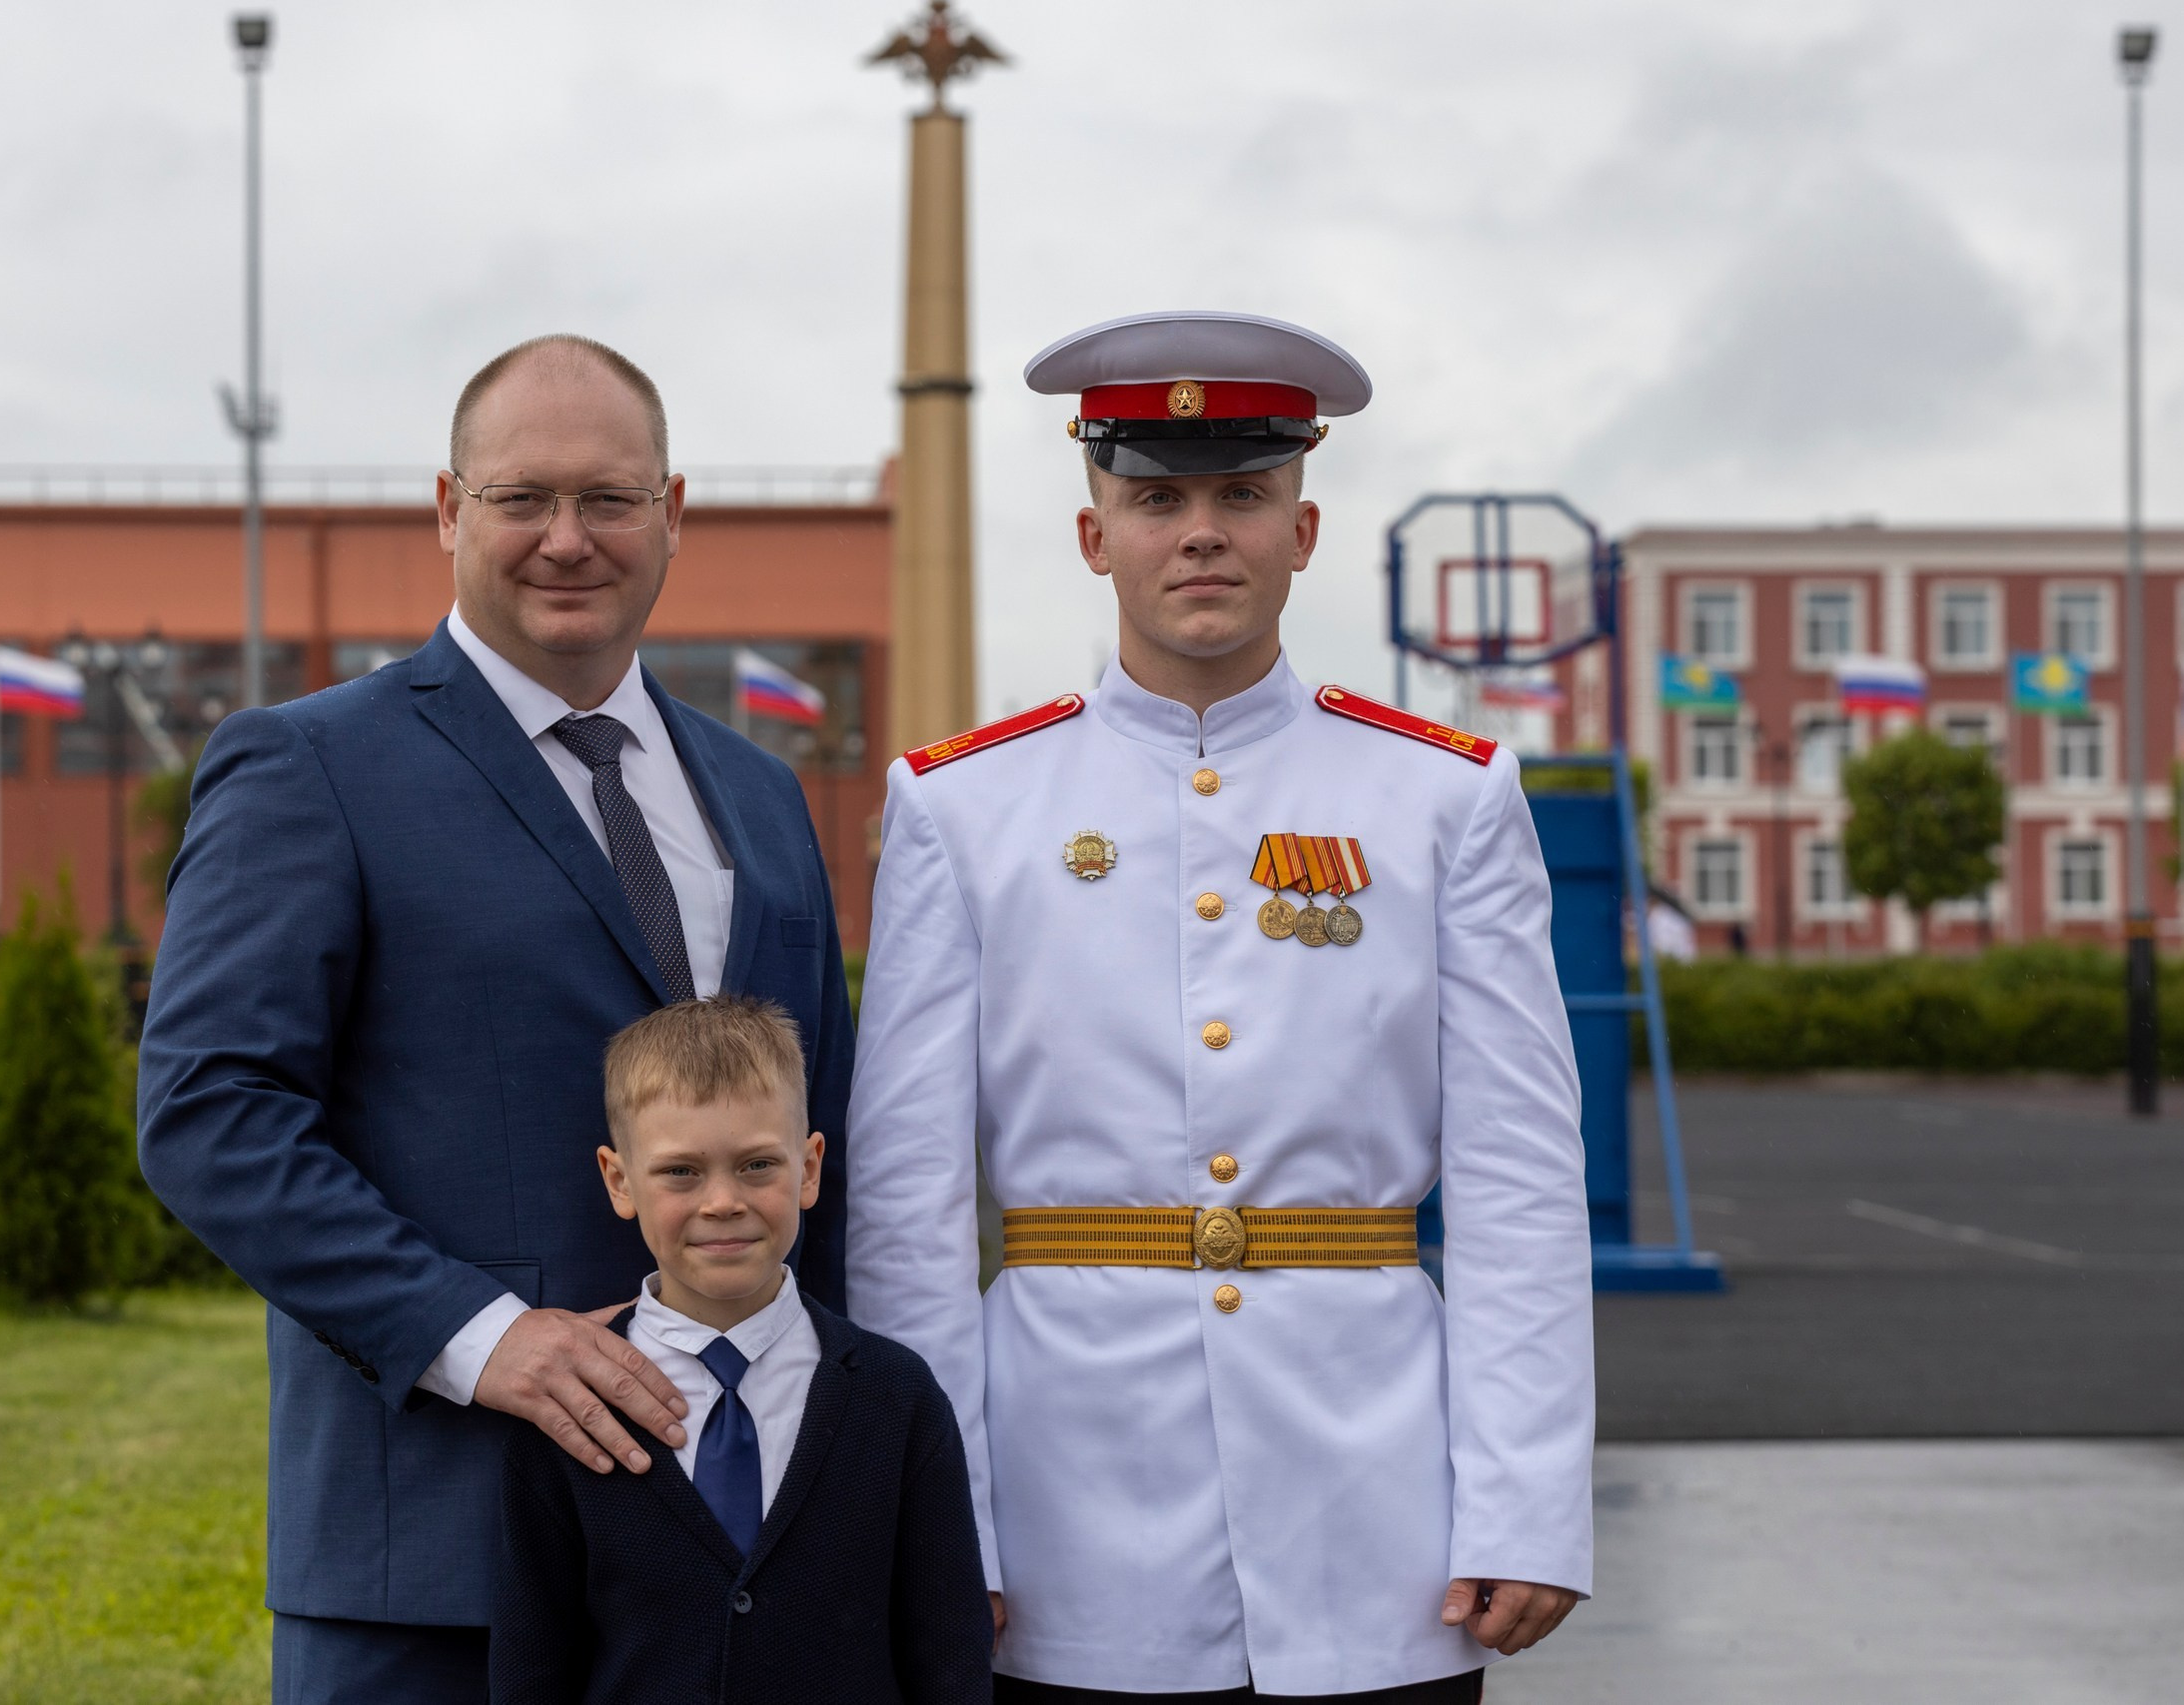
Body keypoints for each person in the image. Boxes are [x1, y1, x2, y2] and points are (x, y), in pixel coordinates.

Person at [845, 311, 1595, 1703]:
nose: (1201, 532)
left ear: (1302, 530)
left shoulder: (1445, 796)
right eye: (1157, 497)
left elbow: (1519, 1175)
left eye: (1243, 494)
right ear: (1094, 535)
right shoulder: (965, 806)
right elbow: (905, 1200)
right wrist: (942, 1513)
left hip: (1375, 1509)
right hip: (1073, 1508)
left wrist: (1526, 1498)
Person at [138, 335, 855, 1704]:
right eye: (524, 498)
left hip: (736, 1557)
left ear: (673, 513)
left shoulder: (762, 799)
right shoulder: (311, 768)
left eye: (611, 499)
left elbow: (830, 1153)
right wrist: (484, 1336)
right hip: (440, 1567)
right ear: (450, 509)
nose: (568, 538)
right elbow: (211, 1114)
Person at [492, 996, 993, 1705]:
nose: (723, 1200)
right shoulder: (570, 1407)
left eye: (757, 1163)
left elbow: (949, 1657)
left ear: (810, 1166)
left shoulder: (897, 1398)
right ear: (619, 1179)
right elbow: (532, 1666)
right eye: (681, 1172)